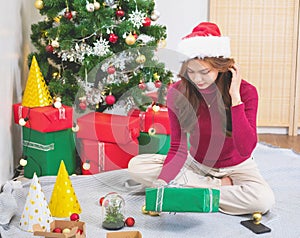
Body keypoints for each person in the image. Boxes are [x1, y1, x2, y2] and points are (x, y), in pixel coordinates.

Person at [128, 22, 275, 215]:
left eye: (205, 72)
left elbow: (246, 147)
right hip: (196, 165)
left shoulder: (247, 92)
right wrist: (161, 184)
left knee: (263, 200)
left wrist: (235, 98)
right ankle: (216, 187)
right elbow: (177, 148)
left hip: (237, 167)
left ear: (221, 67)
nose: (197, 79)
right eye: (191, 72)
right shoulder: (177, 92)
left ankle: (189, 189)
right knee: (137, 167)